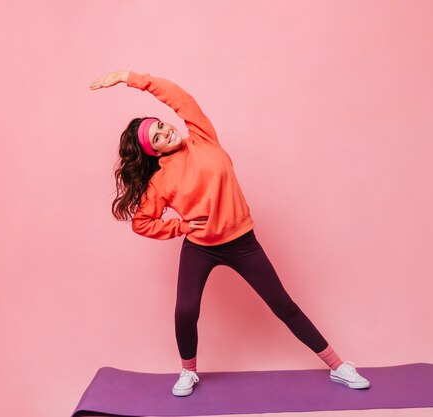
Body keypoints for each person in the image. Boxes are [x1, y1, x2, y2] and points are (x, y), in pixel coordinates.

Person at [89, 70, 370, 396]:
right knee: (185, 310)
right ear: (154, 153)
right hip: (200, 247)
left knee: (283, 306)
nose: (166, 132)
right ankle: (188, 372)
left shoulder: (202, 136)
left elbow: (177, 96)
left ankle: (337, 366)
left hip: (242, 242)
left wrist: (129, 77)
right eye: (157, 138)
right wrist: (180, 227)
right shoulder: (161, 181)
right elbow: (143, 222)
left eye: (162, 126)